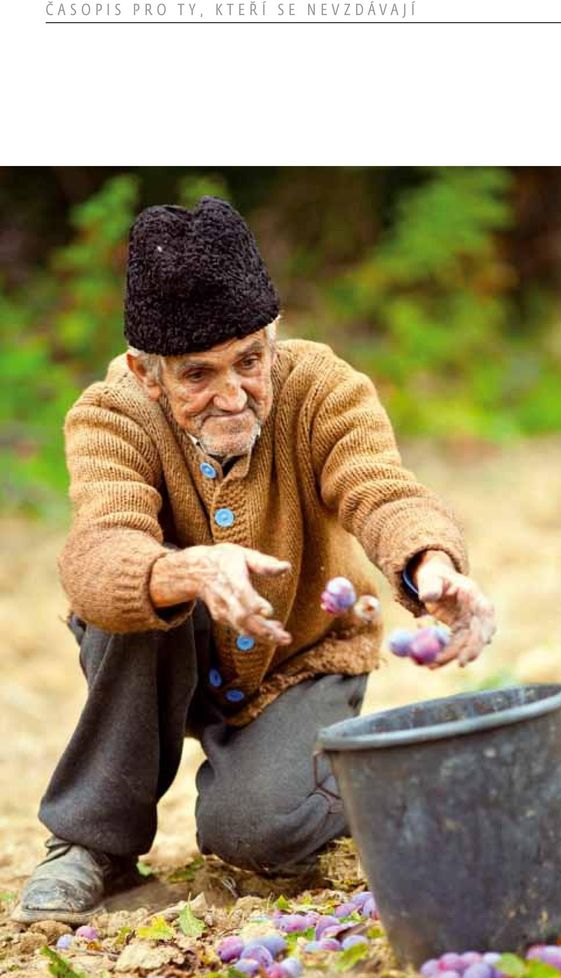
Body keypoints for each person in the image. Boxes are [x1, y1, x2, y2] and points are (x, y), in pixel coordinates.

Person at [15, 197, 496, 924]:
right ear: (150, 375)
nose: (233, 394)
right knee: (117, 602)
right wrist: (188, 571)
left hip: (301, 656)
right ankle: (92, 843)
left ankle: (364, 773)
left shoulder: (320, 388)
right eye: (198, 375)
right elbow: (99, 548)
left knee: (252, 833)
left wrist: (429, 562)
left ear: (273, 340)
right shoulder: (112, 415)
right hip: (168, 651)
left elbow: (378, 487)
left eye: (249, 360)